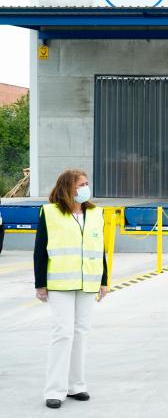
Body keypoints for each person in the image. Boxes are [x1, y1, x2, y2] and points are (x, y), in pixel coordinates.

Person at [33, 169, 109, 409]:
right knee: (63, 333)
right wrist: (40, 284)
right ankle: (55, 390)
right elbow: (39, 251)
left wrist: (104, 280)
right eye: (81, 185)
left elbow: (101, 248)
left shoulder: (96, 213)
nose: (86, 188)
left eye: (87, 184)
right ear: (68, 188)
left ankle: (77, 385)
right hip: (60, 283)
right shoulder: (50, 213)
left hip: (88, 282)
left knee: (81, 333)